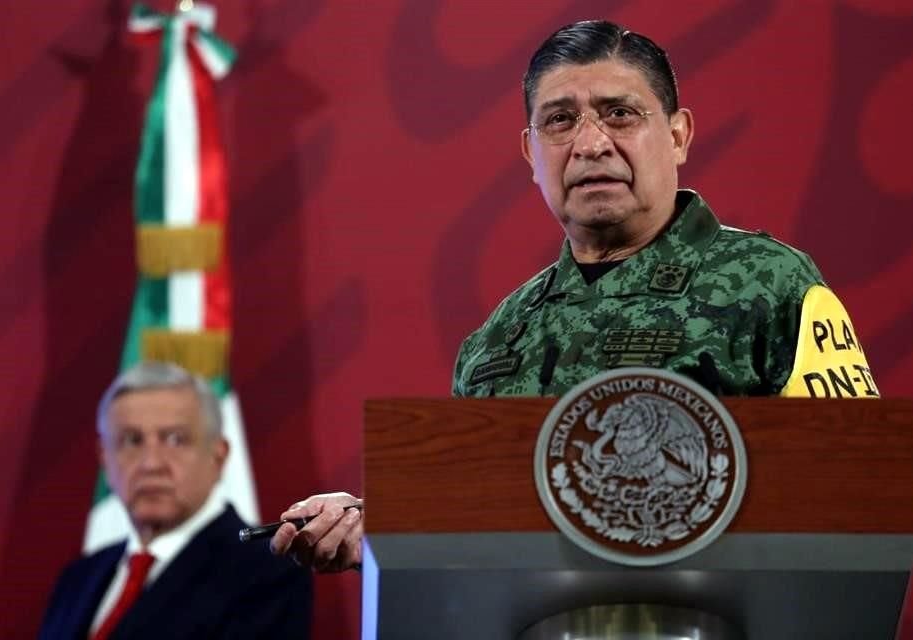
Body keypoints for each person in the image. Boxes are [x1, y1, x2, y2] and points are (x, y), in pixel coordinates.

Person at [269, 19, 879, 572]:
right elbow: (475, 524)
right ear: (530, 152)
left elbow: (870, 489)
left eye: (620, 114)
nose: (589, 144)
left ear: (678, 136)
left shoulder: (771, 283)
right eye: (560, 120)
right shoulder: (498, 338)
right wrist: (382, 522)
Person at [39, 361, 312, 639]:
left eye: (175, 439)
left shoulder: (266, 573)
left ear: (219, 455)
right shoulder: (78, 577)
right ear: (104, 459)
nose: (151, 463)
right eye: (132, 440)